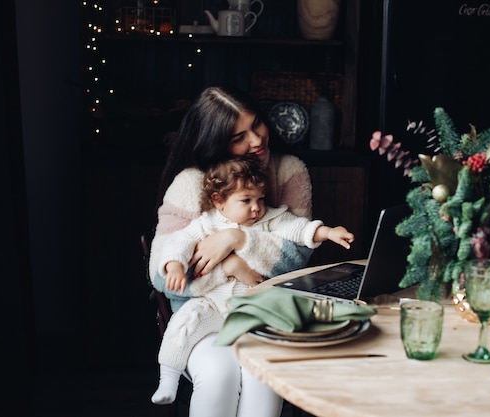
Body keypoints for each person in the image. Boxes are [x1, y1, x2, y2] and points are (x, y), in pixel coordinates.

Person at [148, 85, 314, 417]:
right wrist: (229, 270)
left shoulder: (290, 170)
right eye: (239, 137)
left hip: (265, 314)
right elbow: (160, 276)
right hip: (202, 316)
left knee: (264, 376)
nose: (256, 140)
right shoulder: (191, 182)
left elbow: (295, 263)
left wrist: (236, 240)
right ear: (215, 143)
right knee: (218, 374)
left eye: (257, 124)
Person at [151, 155, 354, 405]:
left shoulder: (270, 219)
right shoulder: (207, 224)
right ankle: (168, 377)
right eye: (246, 201)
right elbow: (178, 243)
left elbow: (299, 229)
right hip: (213, 305)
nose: (256, 207)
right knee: (184, 324)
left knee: (270, 356)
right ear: (219, 201)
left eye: (260, 199)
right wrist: (174, 267)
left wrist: (328, 232)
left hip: (253, 309)